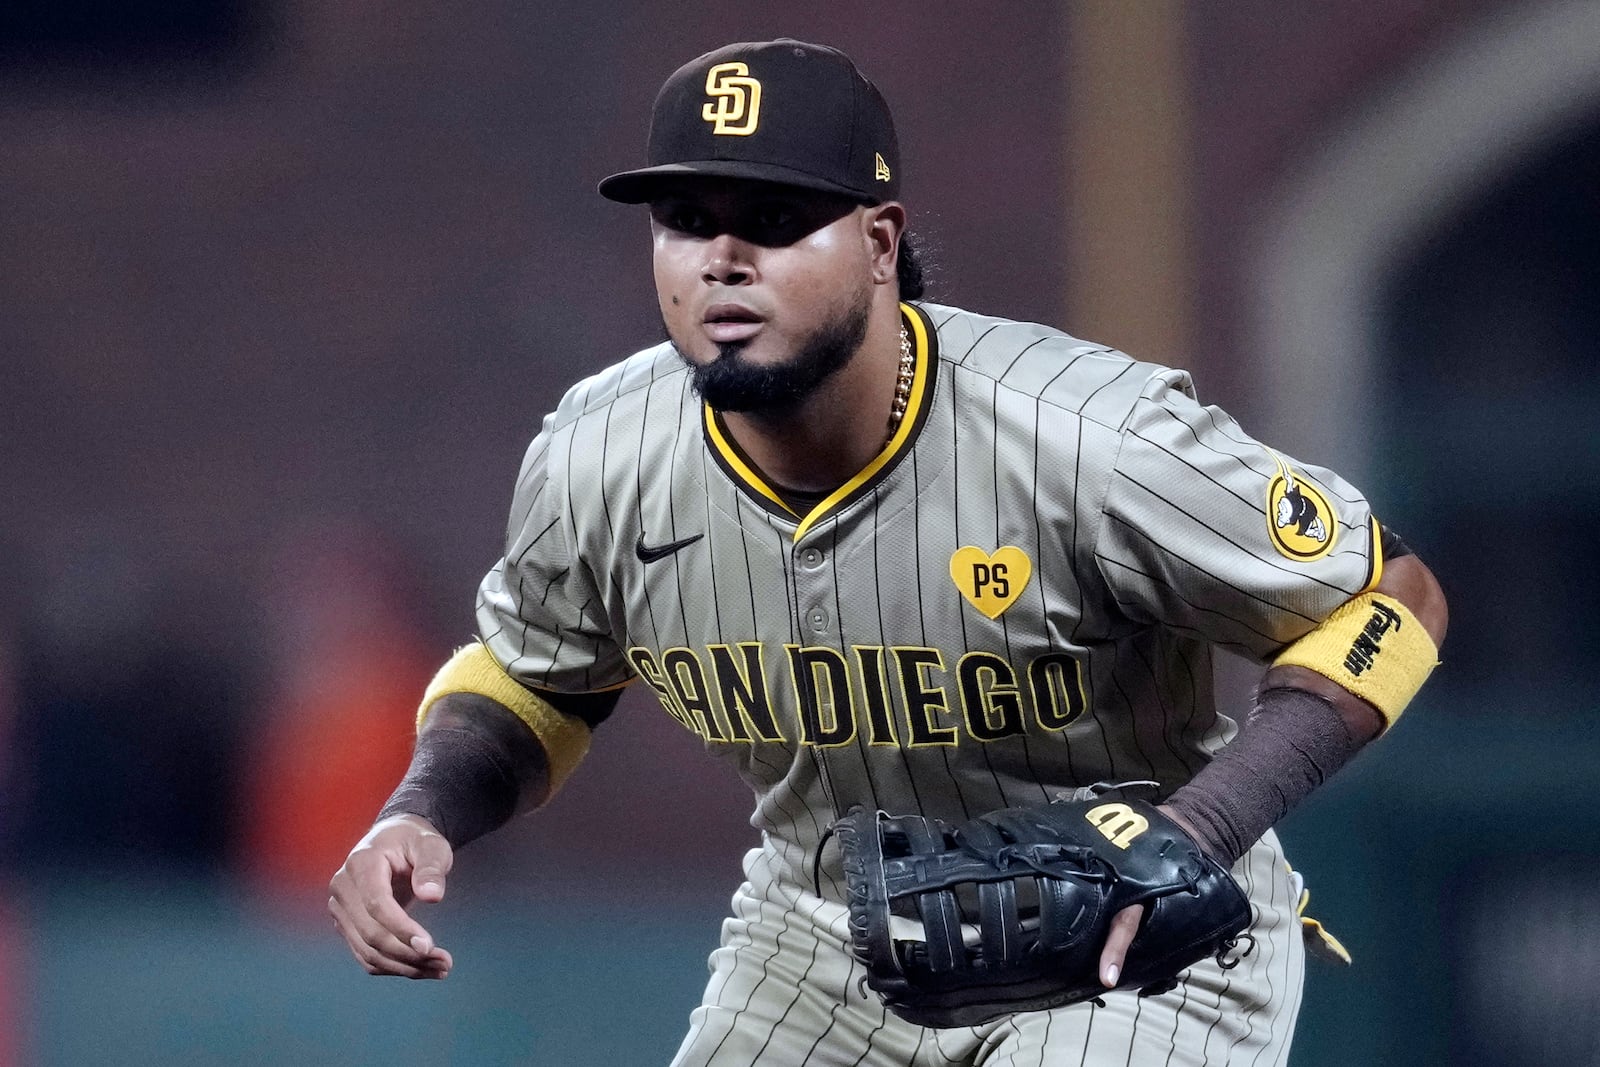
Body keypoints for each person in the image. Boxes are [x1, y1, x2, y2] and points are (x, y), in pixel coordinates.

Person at [329, 38, 1447, 1066]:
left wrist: (1204, 827)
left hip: (1135, 939)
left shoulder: (1086, 437)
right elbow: (532, 675)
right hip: (821, 934)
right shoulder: (595, 456)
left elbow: (1395, 593)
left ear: (878, 241)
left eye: (772, 218)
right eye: (684, 218)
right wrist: (418, 808)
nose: (721, 257)